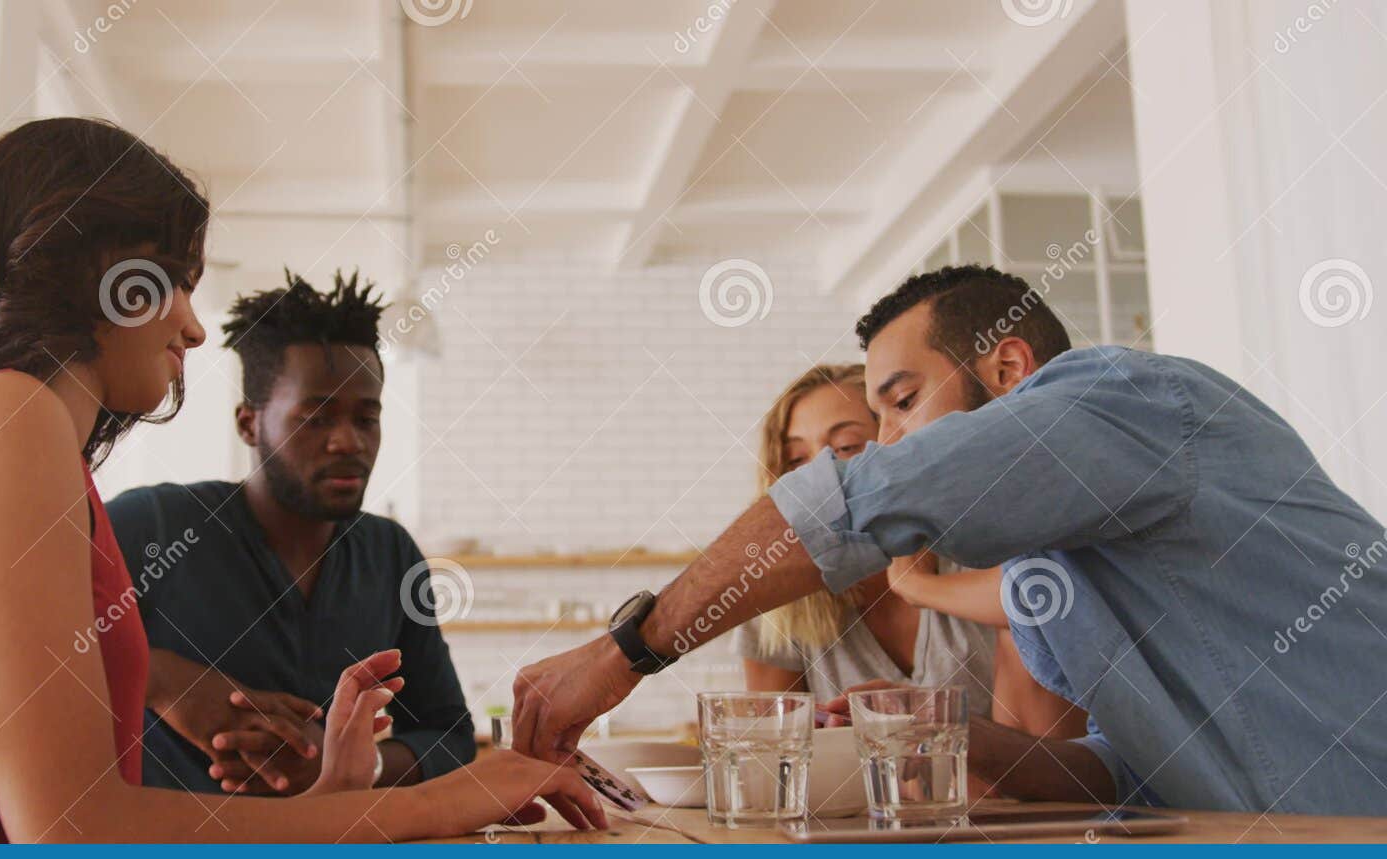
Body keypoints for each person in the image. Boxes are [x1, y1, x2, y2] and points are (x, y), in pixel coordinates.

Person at [0, 117, 604, 843]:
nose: (191, 325)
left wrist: (332, 795)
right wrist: (433, 801)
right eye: (175, 280)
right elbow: (74, 838)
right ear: (96, 267)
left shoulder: (6, 431)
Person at [513, 264, 1387, 816]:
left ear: (1006, 368)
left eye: (899, 401)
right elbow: (1118, 770)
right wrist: (925, 732)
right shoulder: (1061, 559)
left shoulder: (1123, 395)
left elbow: (856, 502)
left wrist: (624, 650)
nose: (887, 438)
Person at [107, 269, 474, 796]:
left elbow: (449, 737)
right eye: (315, 418)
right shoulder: (153, 524)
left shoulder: (391, 554)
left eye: (365, 418)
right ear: (249, 425)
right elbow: (32, 659)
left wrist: (351, 767)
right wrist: (160, 679)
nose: (347, 441)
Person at [736, 363, 1083, 739]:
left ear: (897, 450)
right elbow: (774, 756)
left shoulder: (981, 548)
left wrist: (914, 584)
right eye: (796, 461)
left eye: (846, 448)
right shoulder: (778, 604)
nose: (818, 481)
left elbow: (1049, 600)